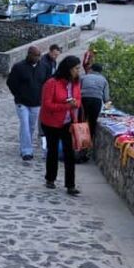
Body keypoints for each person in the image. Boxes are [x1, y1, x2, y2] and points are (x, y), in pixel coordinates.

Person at [40, 55, 82, 195]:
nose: (78, 71)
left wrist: (75, 104)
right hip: (51, 122)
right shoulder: (52, 83)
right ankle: (50, 178)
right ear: (68, 69)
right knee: (53, 151)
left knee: (69, 153)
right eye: (76, 68)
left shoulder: (75, 83)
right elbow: (47, 105)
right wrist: (65, 106)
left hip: (67, 122)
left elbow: (78, 99)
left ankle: (70, 185)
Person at [7, 46, 48, 161]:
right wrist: (18, 95)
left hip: (36, 103)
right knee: (24, 124)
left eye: (39, 55)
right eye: (35, 55)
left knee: (31, 126)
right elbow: (10, 82)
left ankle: (24, 146)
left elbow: (46, 83)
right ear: (29, 54)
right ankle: (27, 151)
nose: (37, 58)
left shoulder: (43, 67)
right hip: (22, 102)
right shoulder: (19, 67)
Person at [79, 63, 110, 162]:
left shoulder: (84, 77)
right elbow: (106, 98)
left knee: (81, 123)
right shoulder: (104, 80)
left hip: (83, 100)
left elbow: (77, 90)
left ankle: (78, 149)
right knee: (91, 125)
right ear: (100, 71)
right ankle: (85, 151)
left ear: (91, 69)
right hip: (96, 101)